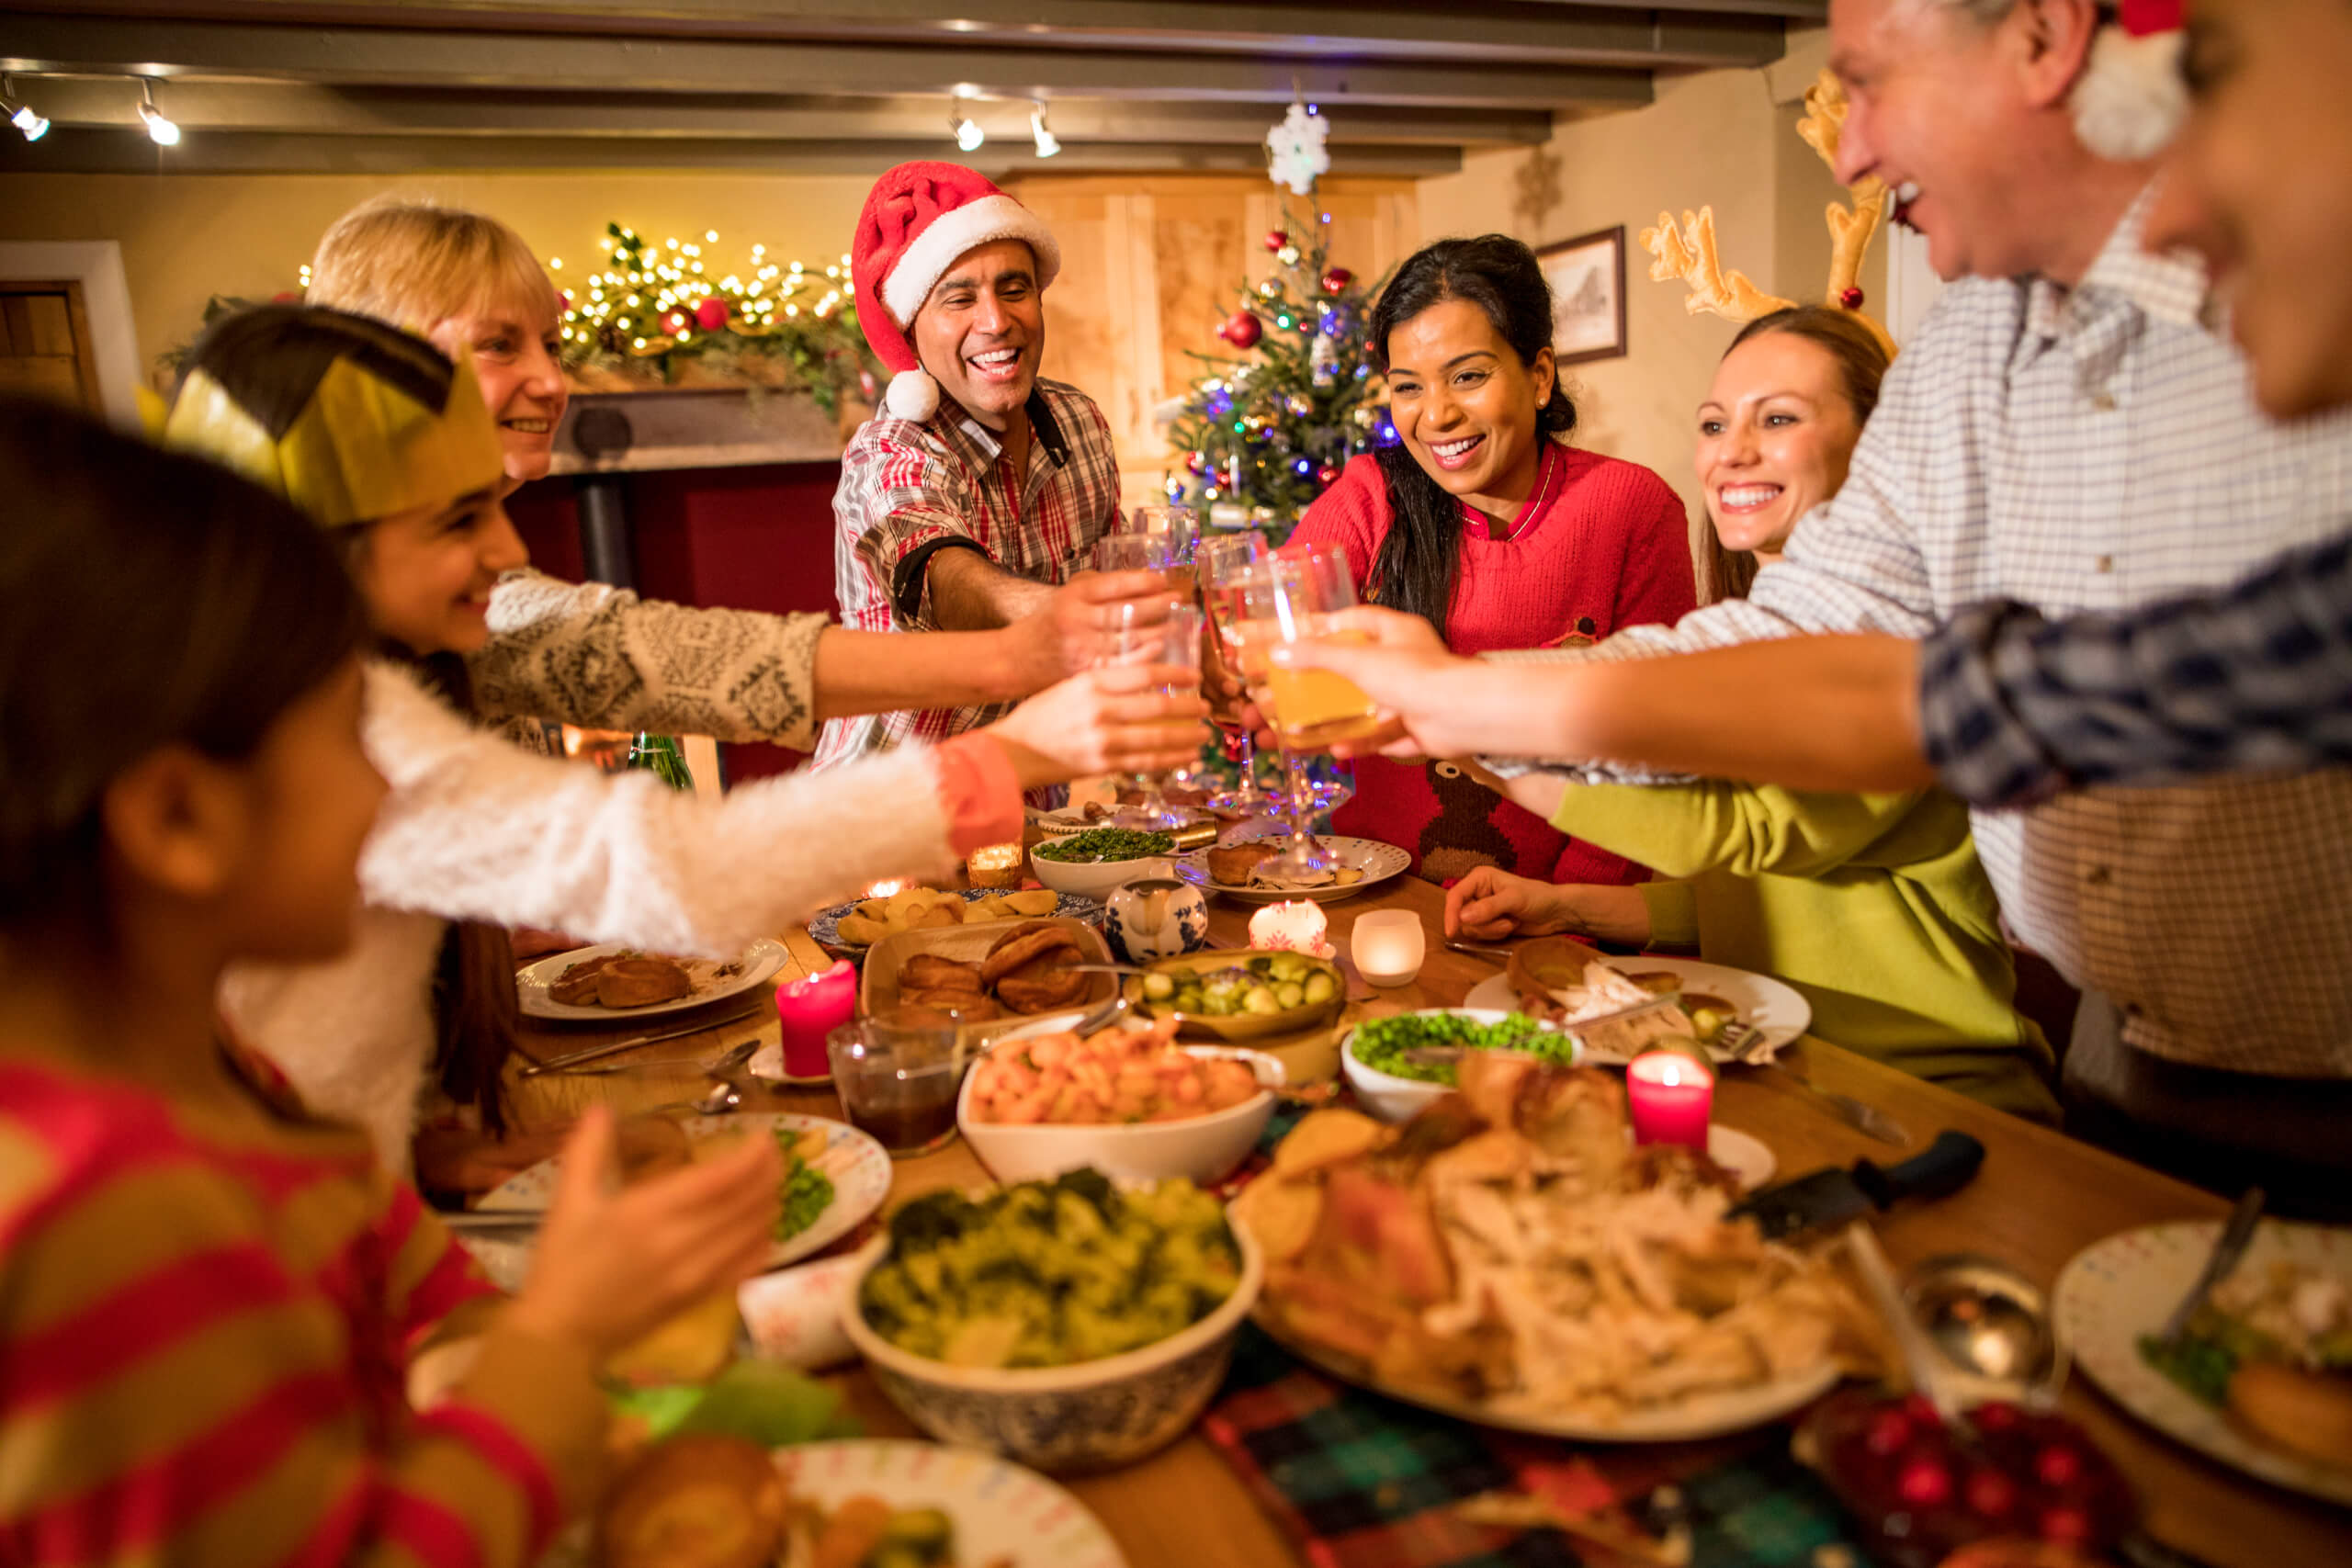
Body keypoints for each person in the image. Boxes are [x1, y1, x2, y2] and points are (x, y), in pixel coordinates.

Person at [1276, 0, 2352, 1207]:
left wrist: (1469, 707)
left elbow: (1892, 728)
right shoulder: (1961, 355)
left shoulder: (2283, 307)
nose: (1844, 151)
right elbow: (1848, 656)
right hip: (2120, 1064)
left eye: (1872, 83)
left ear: (2046, 41)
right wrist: (1465, 699)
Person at [0, 398, 778, 1562]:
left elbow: (393, 1272)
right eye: (347, 735)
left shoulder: (220, 1071)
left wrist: (544, 1284)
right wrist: (556, 1341)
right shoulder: (106, 1221)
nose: (388, 788)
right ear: (177, 816)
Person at [173, 305, 1205, 1182]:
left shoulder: (342, 688)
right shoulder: (352, 735)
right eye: (456, 521)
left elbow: (307, 1060)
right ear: (305, 543)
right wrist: (1016, 754)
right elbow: (684, 872)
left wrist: (417, 1151)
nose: (510, 550)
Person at [1444, 306, 2054, 1117]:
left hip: (1938, 1097)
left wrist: (1473, 729)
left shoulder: (1895, 648)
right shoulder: (1743, 641)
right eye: (1713, 423)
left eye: (1777, 419)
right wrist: (1559, 903)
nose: (1731, 451)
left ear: (1878, 448)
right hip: (1780, 1072)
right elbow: (1753, 892)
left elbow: (1743, 828)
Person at [305, 194, 1168, 762]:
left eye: (555, 346)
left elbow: (651, 667)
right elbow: (691, 662)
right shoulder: (310, 610)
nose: (552, 381)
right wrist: (1016, 663)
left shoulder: (1077, 420)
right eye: (501, 343)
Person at [1283, 234, 1696, 886]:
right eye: (1408, 386)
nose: (1437, 415)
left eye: (1468, 376)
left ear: (1539, 376)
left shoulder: (1630, 507)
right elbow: (1279, 614)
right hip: (1389, 902)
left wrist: (1567, 918)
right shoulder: (1370, 495)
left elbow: (1654, 748)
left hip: (1570, 922)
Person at [815, 163, 1138, 769]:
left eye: (1014, 290)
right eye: (959, 299)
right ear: (913, 330)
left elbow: (1114, 569)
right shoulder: (887, 451)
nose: (995, 321)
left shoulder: (1081, 424)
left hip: (1030, 801)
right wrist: (1061, 614)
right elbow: (945, 578)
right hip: (889, 814)